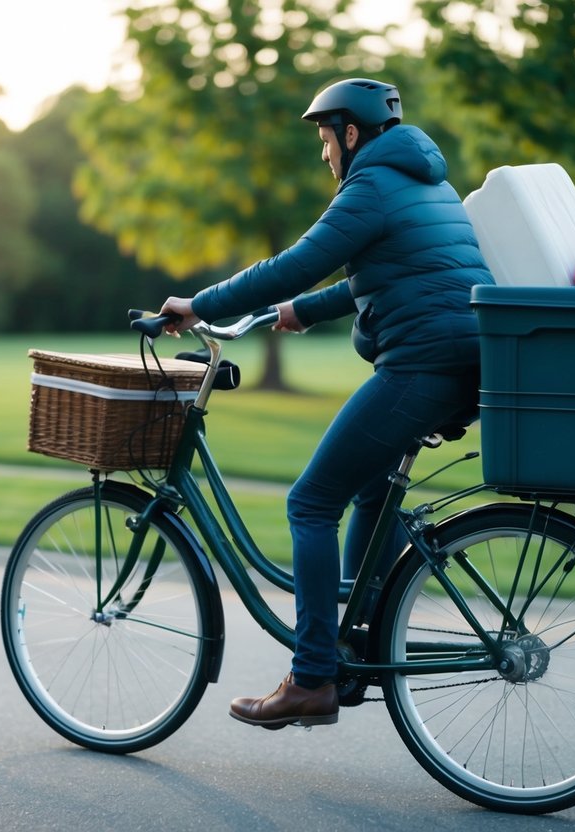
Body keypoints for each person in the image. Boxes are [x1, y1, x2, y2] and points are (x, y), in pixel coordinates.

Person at [159, 78, 494, 729]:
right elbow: (380, 271)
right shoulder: (427, 182)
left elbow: (295, 262)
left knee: (310, 503)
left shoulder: (369, 185)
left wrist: (198, 305)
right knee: (368, 491)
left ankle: (311, 678)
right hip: (468, 364)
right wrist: (300, 314)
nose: (322, 153)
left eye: (323, 137)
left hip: (422, 367)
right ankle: (356, 640)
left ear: (349, 133)